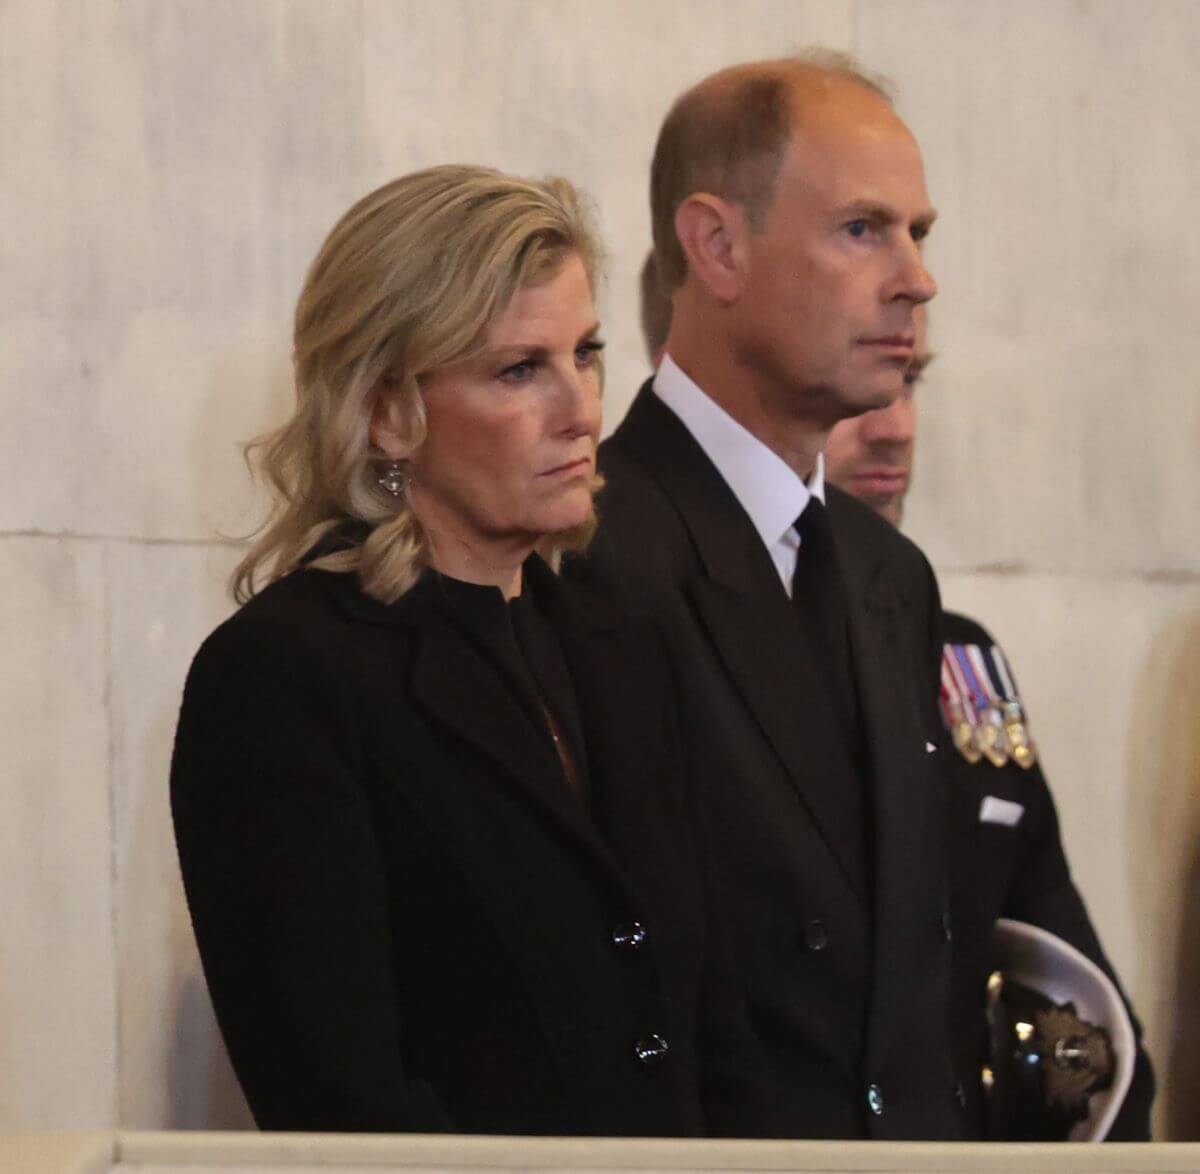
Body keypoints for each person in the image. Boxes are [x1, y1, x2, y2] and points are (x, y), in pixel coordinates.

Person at [170, 165, 769, 1137]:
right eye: (519, 368)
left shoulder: (628, 648)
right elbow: (339, 1102)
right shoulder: (286, 678)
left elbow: (717, 1039)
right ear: (384, 411)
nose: (580, 409)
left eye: (587, 353)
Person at [571, 53, 962, 1138]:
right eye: (863, 230)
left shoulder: (892, 579)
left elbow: (912, 998)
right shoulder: (589, 556)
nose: (915, 278)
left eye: (919, 233)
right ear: (718, 245)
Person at [823, 307, 1156, 1139]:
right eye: (854, 392)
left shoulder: (961, 662)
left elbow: (1072, 976)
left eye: (910, 383)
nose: (893, 429)